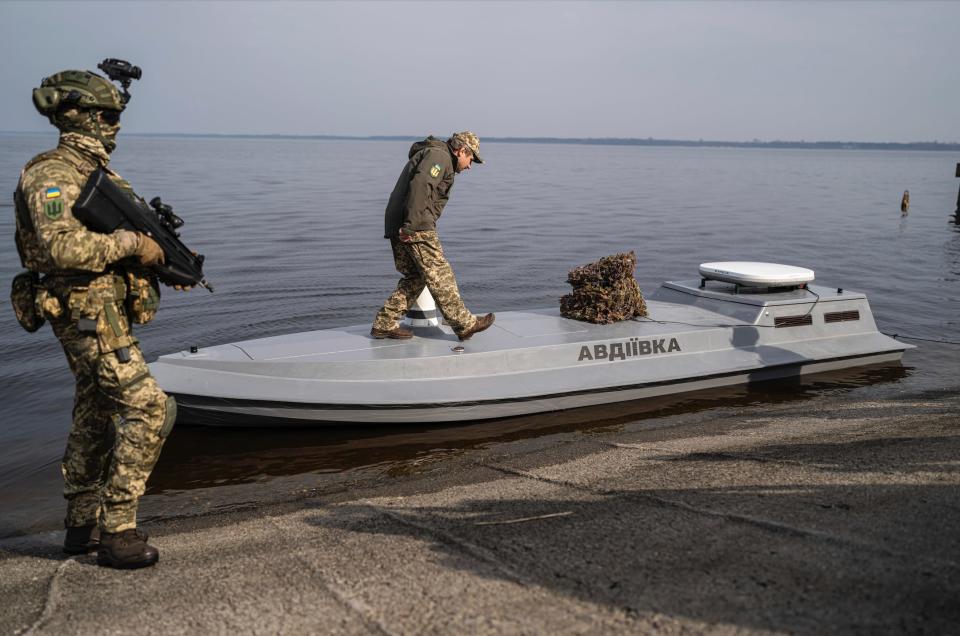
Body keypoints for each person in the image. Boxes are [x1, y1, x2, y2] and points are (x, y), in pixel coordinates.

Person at [13, 63, 185, 569]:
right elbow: (62, 249)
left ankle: (79, 527)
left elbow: (118, 246)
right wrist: (136, 243)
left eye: (115, 115)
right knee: (151, 409)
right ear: (78, 116)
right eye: (106, 115)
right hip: (85, 315)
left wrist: (161, 260)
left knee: (94, 415)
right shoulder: (51, 173)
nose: (115, 125)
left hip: (105, 312)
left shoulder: (96, 175)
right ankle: (118, 531)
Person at [371, 132, 495, 340]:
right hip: (415, 224)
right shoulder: (440, 157)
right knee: (440, 273)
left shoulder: (435, 155)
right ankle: (465, 324)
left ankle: (384, 323)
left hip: (401, 222)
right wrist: (412, 227)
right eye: (471, 159)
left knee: (416, 276)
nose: (469, 165)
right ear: (462, 150)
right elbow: (421, 186)